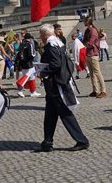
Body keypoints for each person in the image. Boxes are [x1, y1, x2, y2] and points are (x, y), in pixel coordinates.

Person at [36, 25, 90, 153]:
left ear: (45, 35)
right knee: (50, 115)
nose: (40, 37)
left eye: (41, 35)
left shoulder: (51, 46)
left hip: (56, 84)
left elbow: (56, 64)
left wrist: (42, 73)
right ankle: (47, 142)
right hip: (55, 84)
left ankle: (82, 140)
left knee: (65, 113)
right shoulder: (59, 43)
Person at [82, 17, 107, 98]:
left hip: (93, 54)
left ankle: (103, 91)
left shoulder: (93, 31)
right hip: (88, 53)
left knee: (97, 73)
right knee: (92, 73)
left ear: (87, 22)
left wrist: (85, 43)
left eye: (84, 21)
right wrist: (85, 43)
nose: (83, 22)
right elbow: (84, 41)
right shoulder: (87, 30)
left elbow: (90, 43)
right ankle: (95, 90)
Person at [16, 33, 41, 98]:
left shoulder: (22, 44)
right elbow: (31, 54)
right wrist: (35, 54)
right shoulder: (29, 44)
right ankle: (20, 90)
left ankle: (33, 91)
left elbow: (18, 53)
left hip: (23, 63)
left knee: (32, 77)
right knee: (26, 77)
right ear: (30, 38)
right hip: (29, 63)